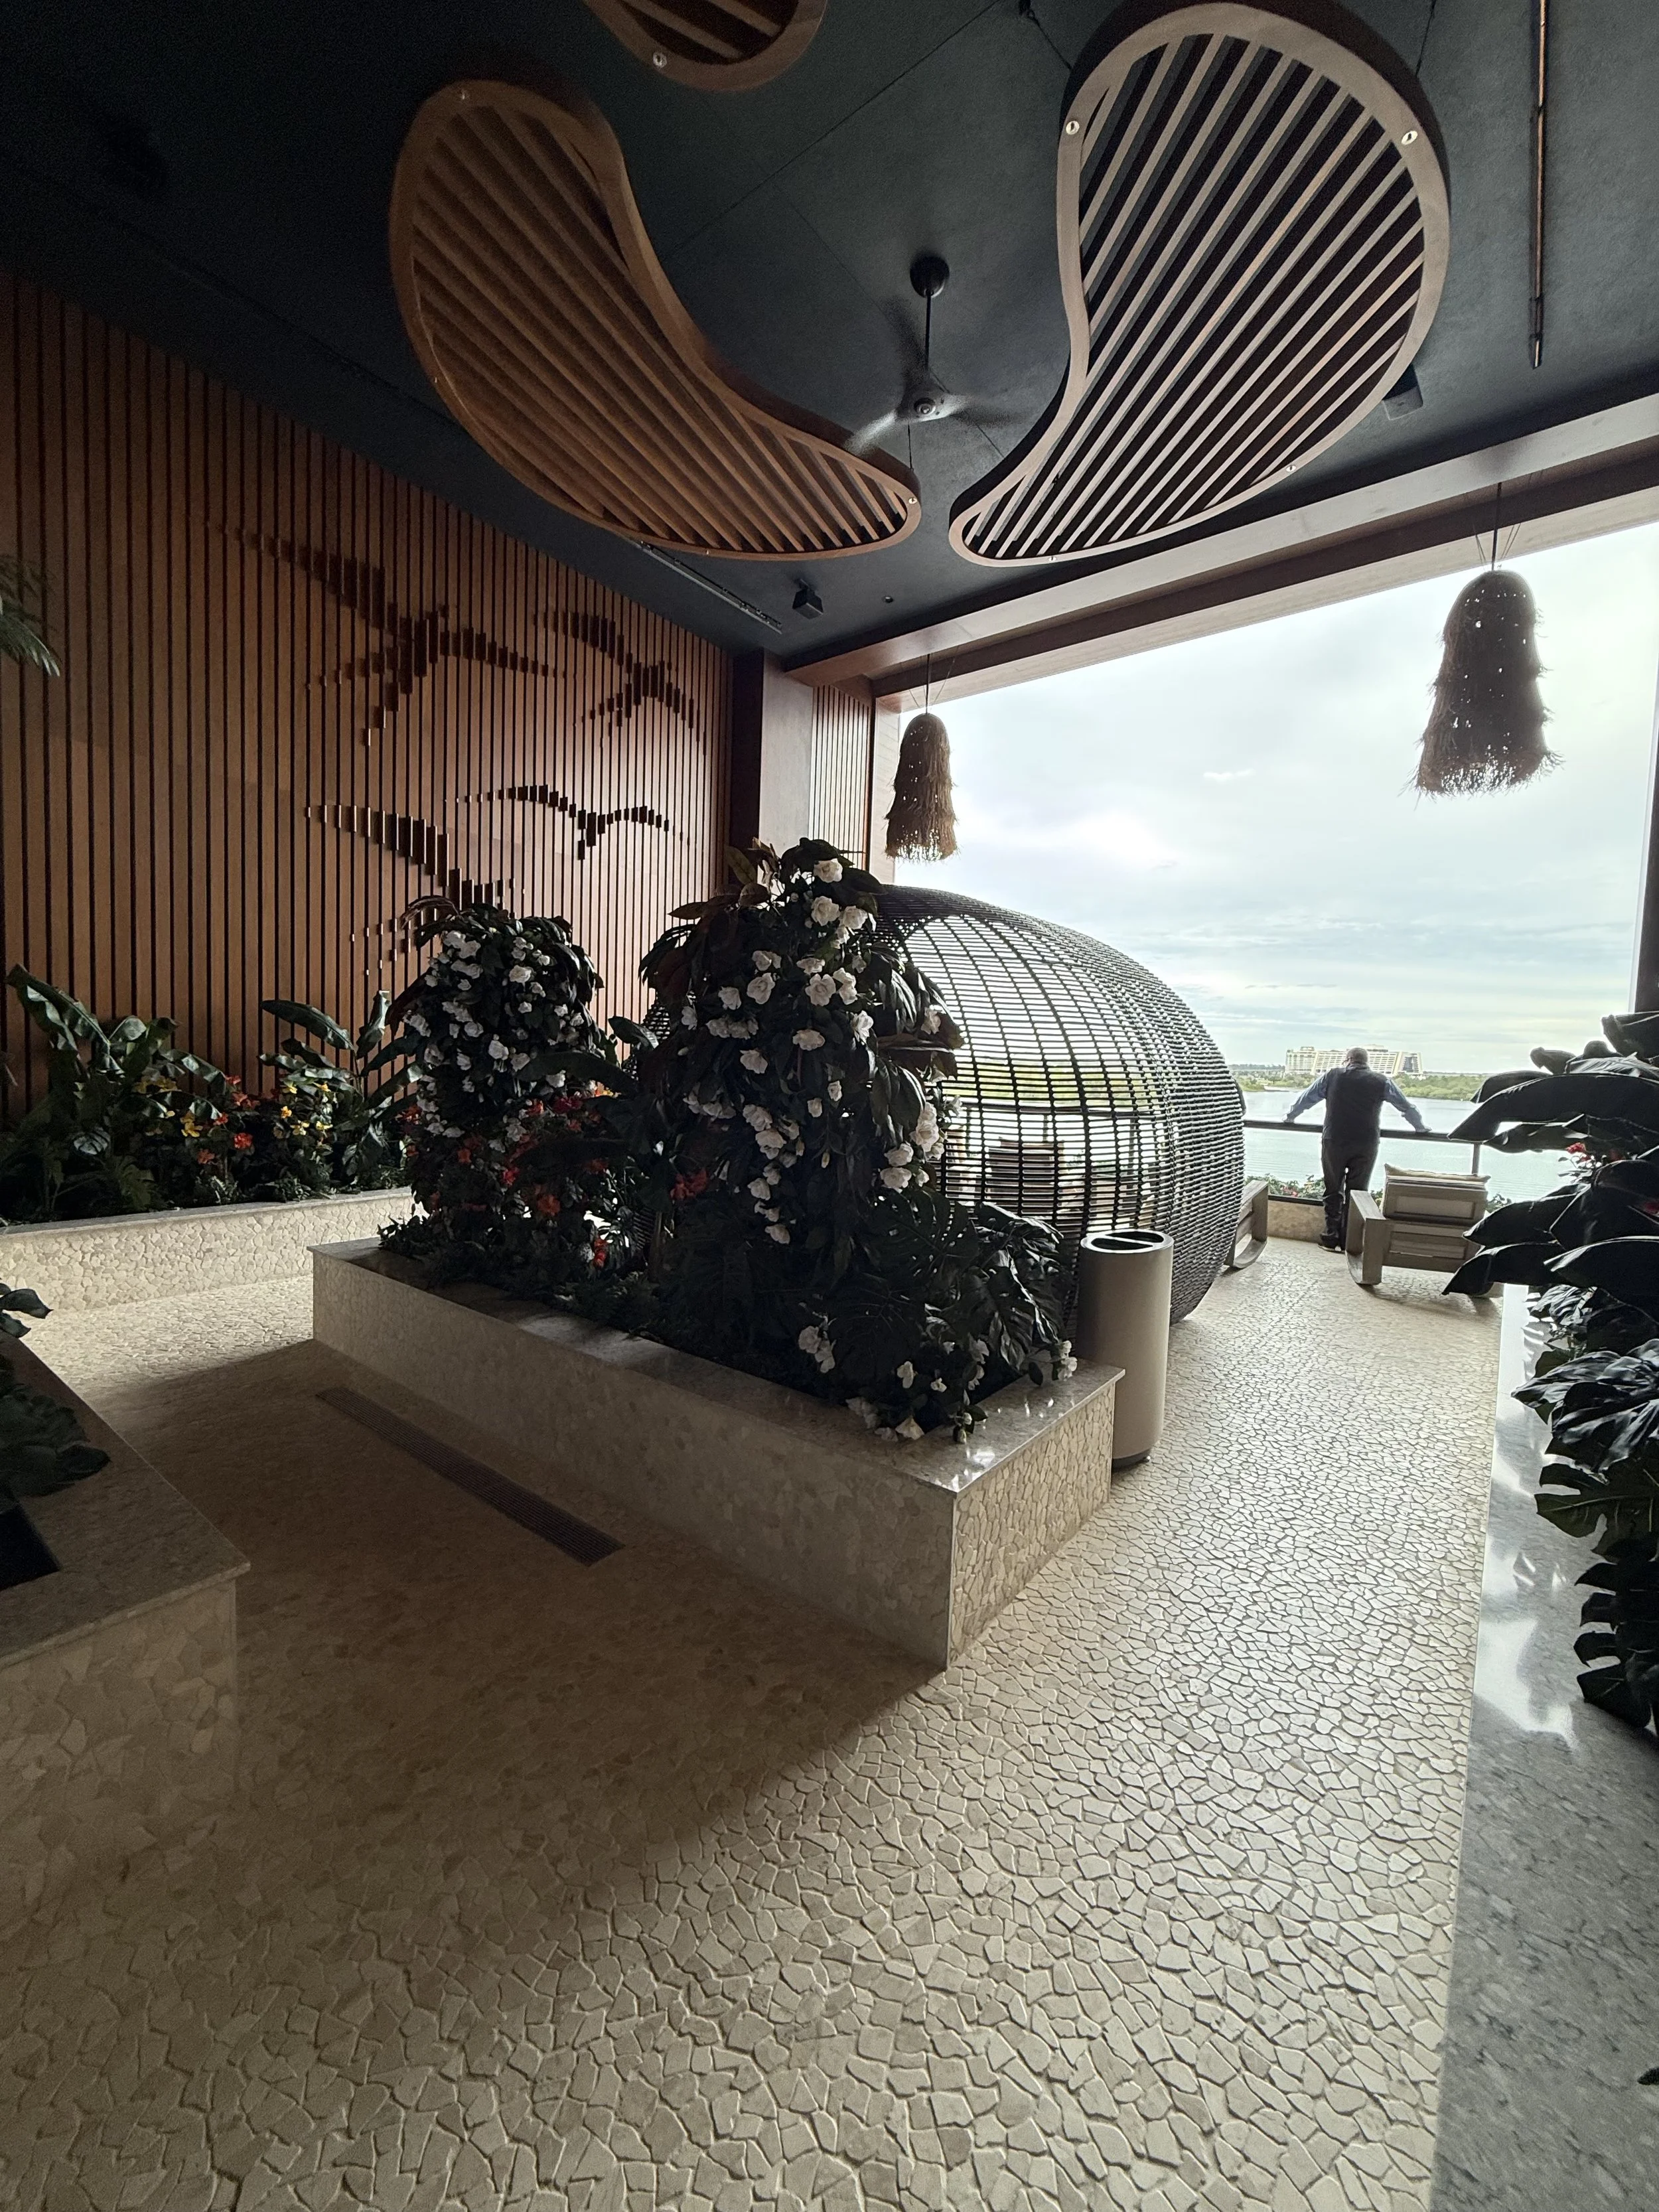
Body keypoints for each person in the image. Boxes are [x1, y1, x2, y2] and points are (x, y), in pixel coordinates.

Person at [1284, 1048, 1428, 1249]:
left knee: (1333, 1188)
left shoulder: (1333, 1076)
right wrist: (1420, 1128)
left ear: (1348, 1060)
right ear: (1366, 1062)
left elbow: (1307, 1098)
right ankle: (1349, 1240)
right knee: (1358, 1191)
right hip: (1366, 1142)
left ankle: (1330, 1236)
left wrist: (1290, 1117)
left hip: (1334, 1139)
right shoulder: (1381, 1081)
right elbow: (1406, 1107)